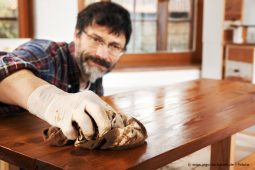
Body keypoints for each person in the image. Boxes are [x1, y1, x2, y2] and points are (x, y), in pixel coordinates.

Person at [0, 2, 132, 141]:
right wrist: (53, 100)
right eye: (96, 39)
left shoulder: (94, 73)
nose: (102, 54)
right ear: (77, 35)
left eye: (114, 46)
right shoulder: (47, 54)